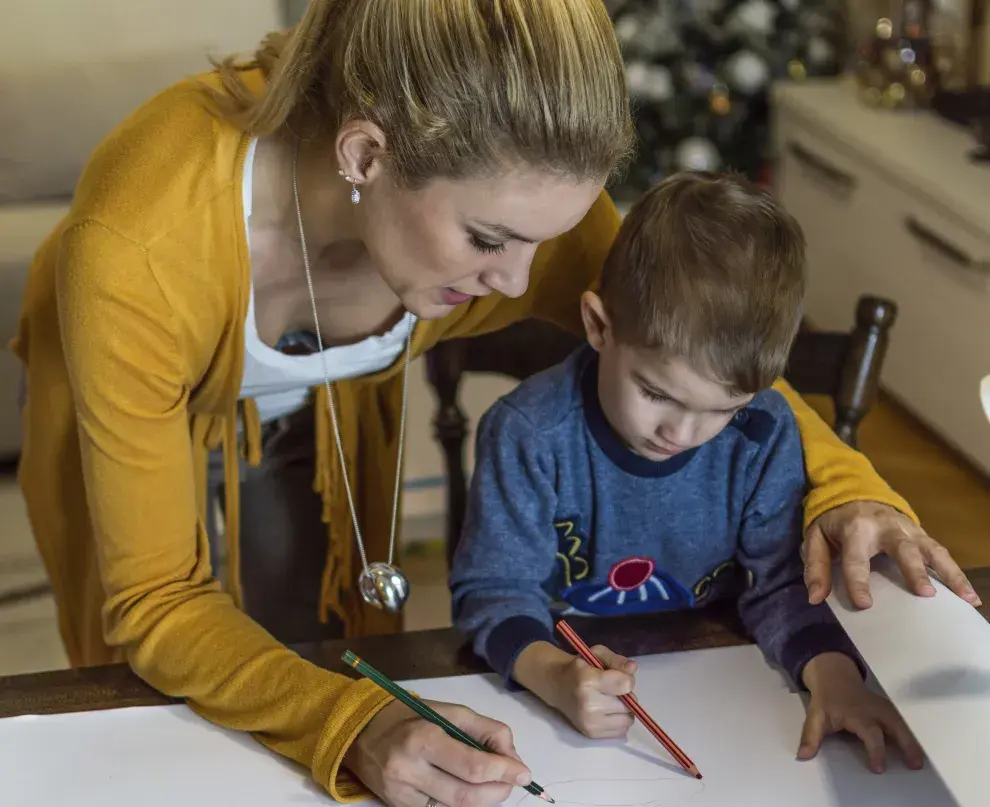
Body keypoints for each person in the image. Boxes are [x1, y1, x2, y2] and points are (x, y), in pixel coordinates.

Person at [10, 0, 972, 805]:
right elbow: (158, 596)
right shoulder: (134, 246)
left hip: (330, 411)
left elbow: (701, 357)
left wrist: (851, 487)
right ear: (364, 154)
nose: (521, 284)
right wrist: (350, 725)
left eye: (540, 243)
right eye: (486, 241)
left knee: (320, 626)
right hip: (135, 372)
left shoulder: (516, 194)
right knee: (155, 698)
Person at [450, 172, 925, 773]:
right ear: (599, 326)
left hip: (721, 674)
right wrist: (554, 675)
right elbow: (493, 593)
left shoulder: (764, 431)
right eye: (656, 392)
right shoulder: (527, 434)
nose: (680, 433)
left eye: (722, 410)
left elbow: (781, 584)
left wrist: (834, 678)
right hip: (563, 683)